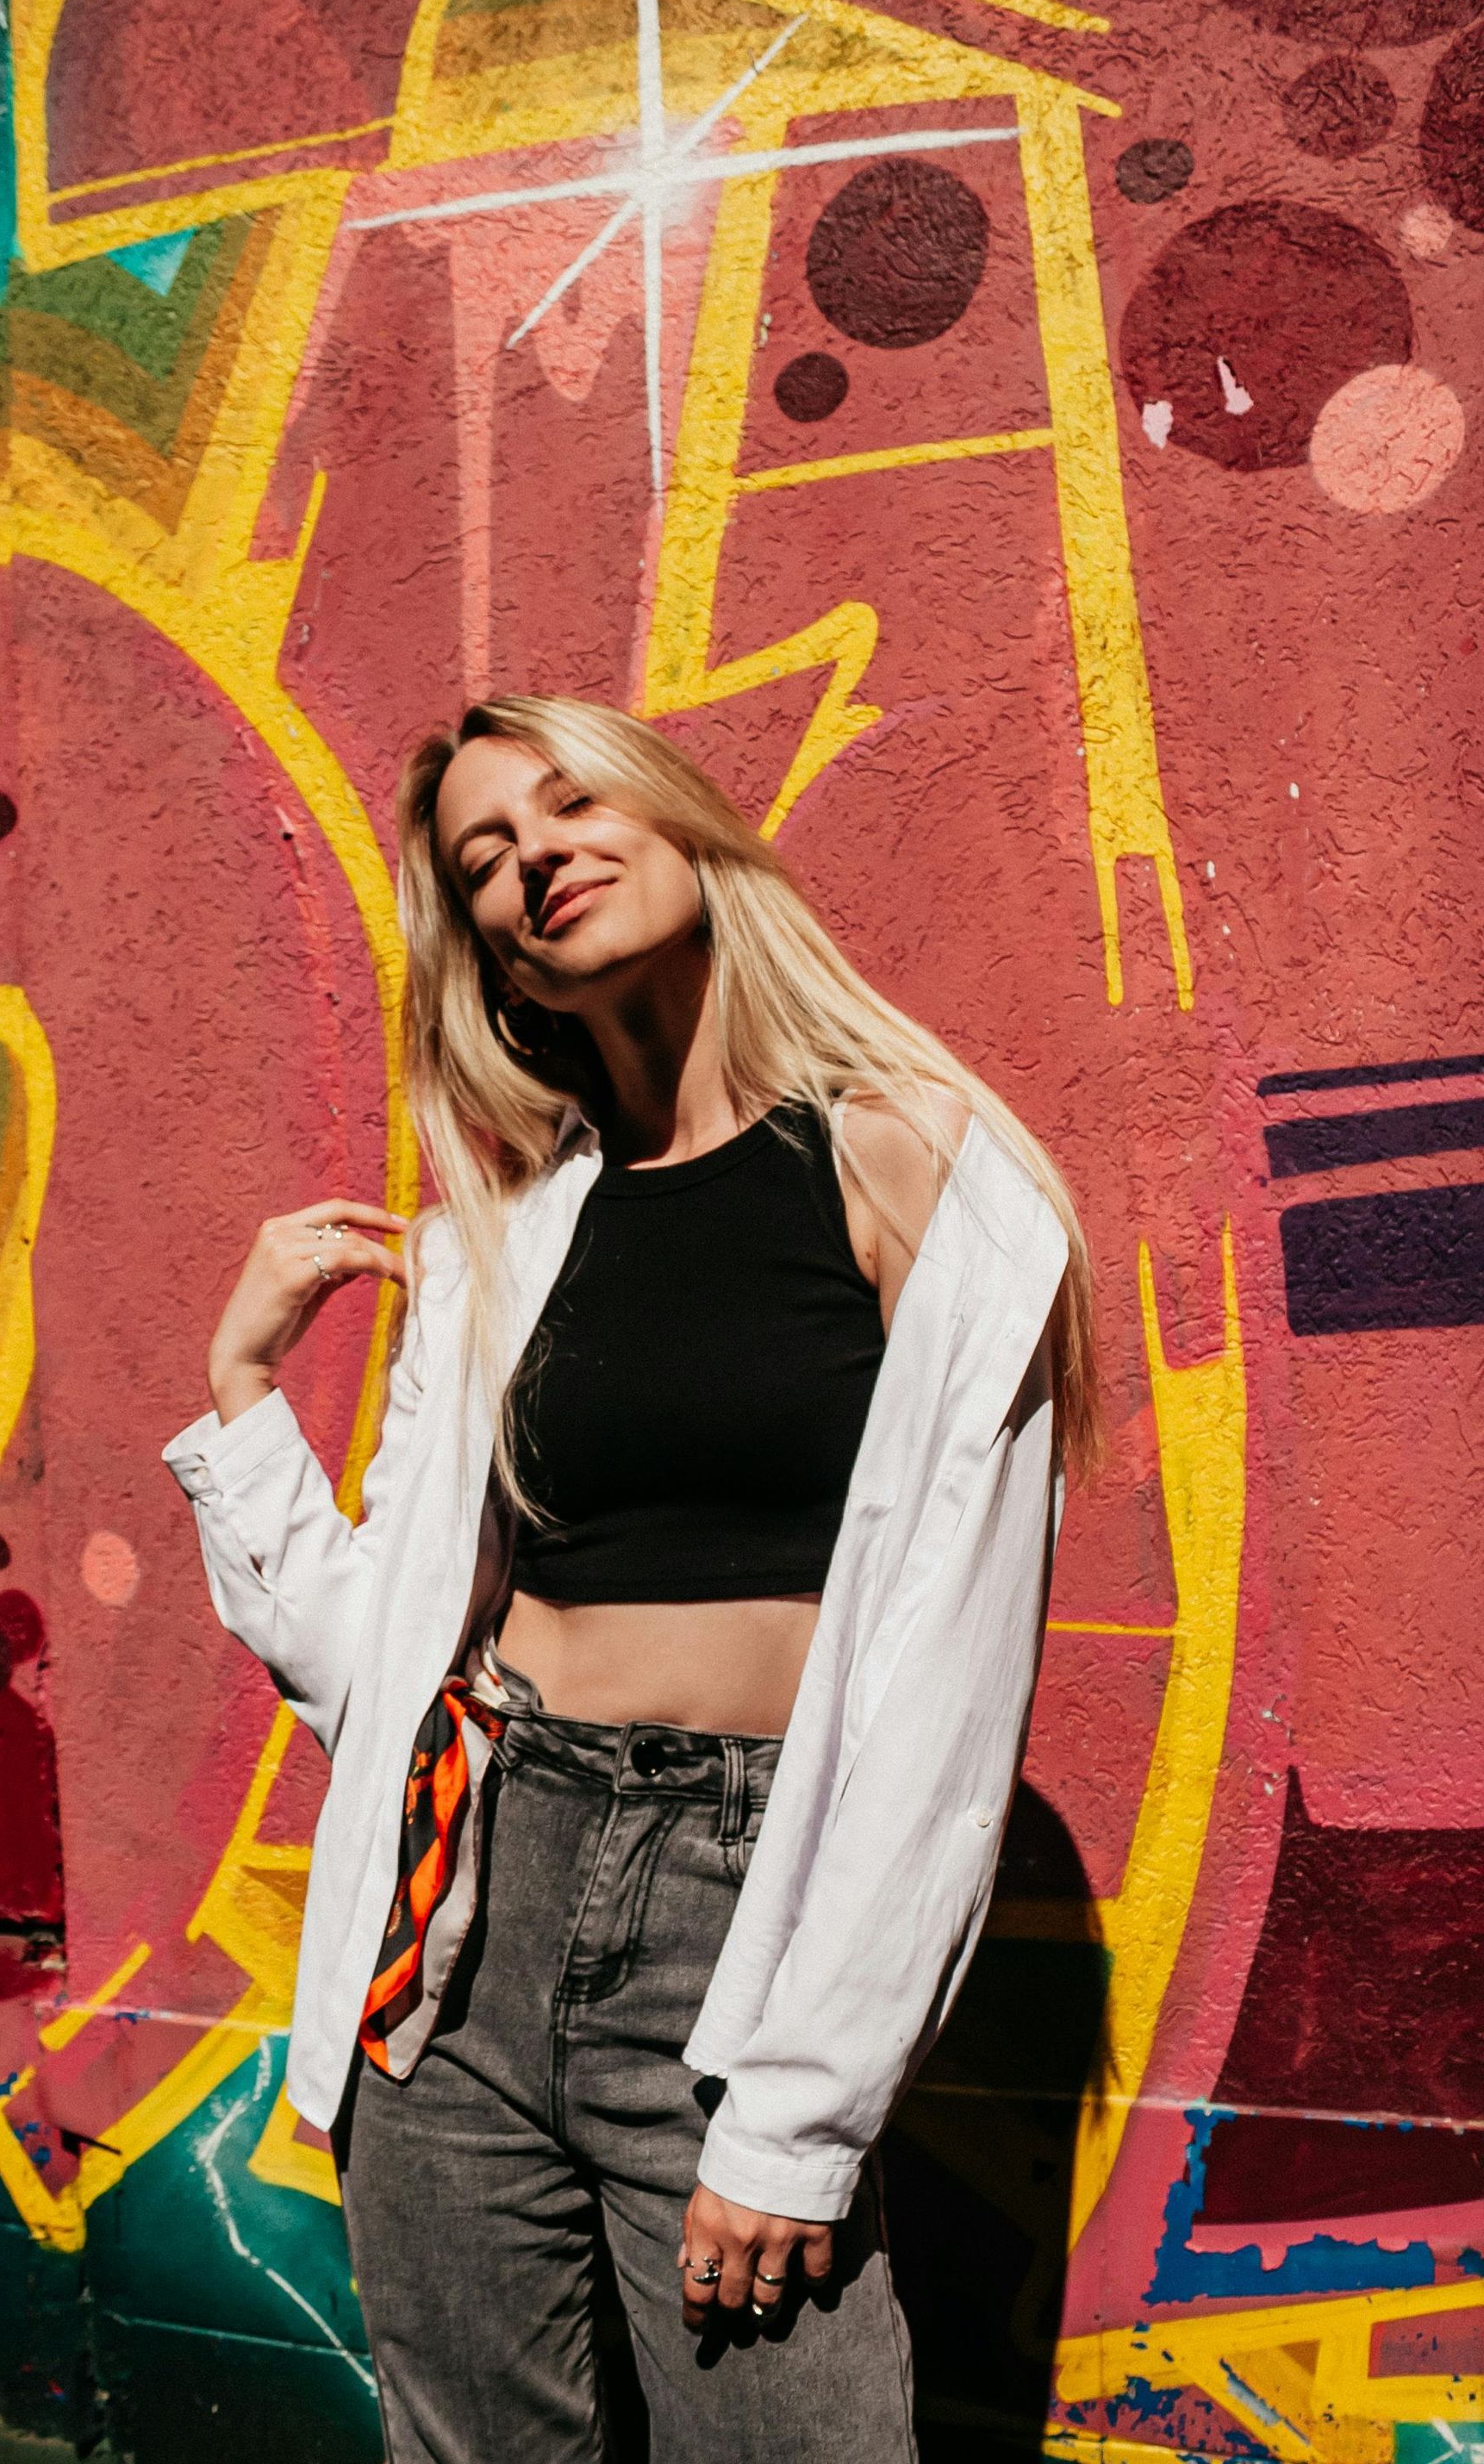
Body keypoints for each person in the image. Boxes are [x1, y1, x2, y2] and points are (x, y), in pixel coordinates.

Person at [162, 696, 1099, 2463]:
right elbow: (374, 1675)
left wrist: (800, 2119)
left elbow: (950, 1697)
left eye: (571, 803)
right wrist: (241, 1401)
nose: (537, 859)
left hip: (737, 1911)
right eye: (487, 857)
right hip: (467, 1899)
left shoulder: (909, 1165)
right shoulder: (505, 1238)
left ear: (683, 822)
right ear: (496, 962)